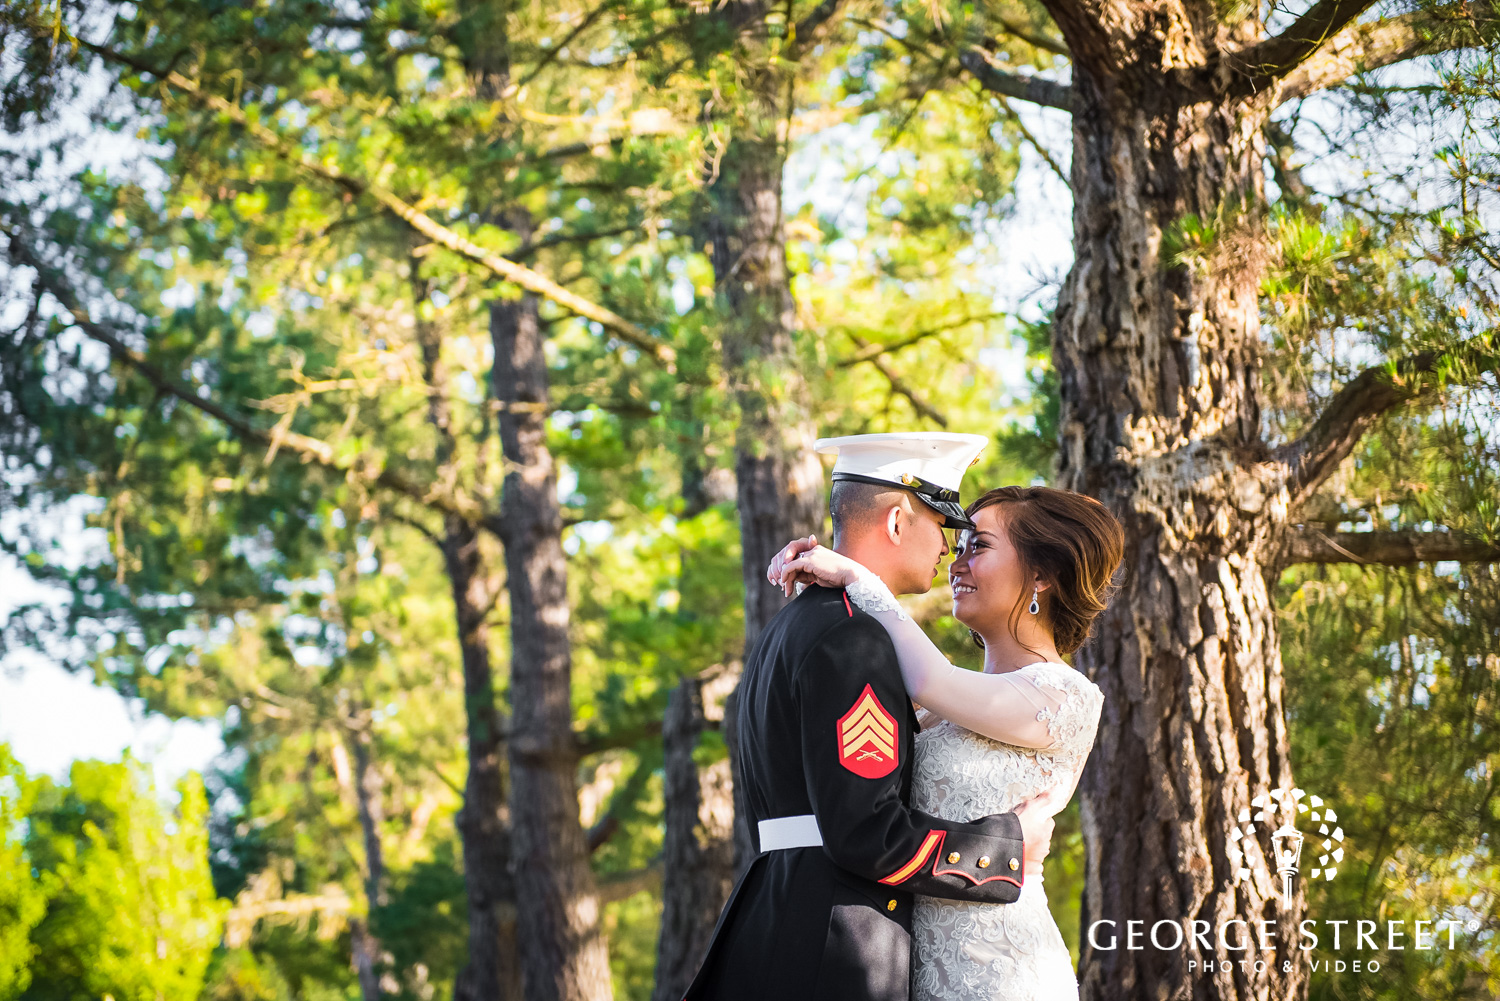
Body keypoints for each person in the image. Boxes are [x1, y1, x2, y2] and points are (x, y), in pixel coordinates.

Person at [683, 433, 1058, 1001]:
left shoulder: (792, 625)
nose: (948, 550)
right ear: (898, 520)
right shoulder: (854, 635)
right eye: (942, 526)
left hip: (783, 913)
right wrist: (1003, 848)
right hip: (834, 941)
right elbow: (865, 832)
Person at [769, 480, 1126, 1001]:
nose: (955, 564)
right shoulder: (945, 703)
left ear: (1043, 575)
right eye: (955, 547)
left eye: (978, 547)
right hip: (908, 969)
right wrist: (820, 601)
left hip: (1002, 971)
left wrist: (858, 576)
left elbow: (930, 678)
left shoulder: (1063, 696)